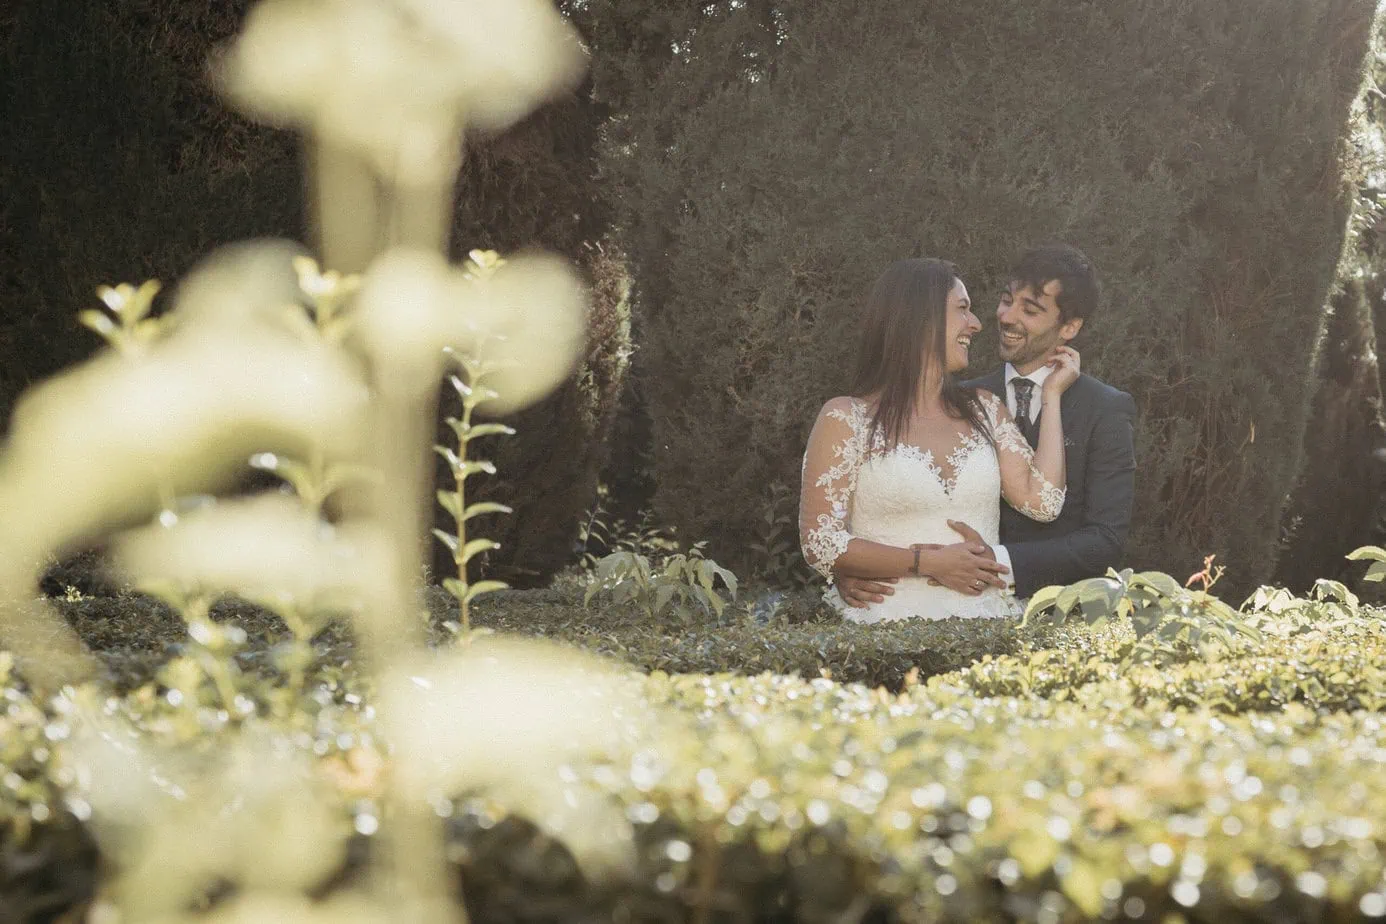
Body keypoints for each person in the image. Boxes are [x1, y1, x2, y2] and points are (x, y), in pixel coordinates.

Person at [833, 244, 1137, 610]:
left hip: (1057, 615)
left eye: (1031, 309)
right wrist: (849, 566)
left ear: (1069, 327)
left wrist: (994, 563)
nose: (1007, 317)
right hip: (924, 604)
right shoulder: (956, 398)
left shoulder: (1105, 408)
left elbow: (1104, 541)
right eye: (1007, 300)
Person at [798, 257, 1077, 623]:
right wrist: (925, 563)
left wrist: (1053, 396)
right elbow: (821, 542)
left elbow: (1045, 502)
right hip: (880, 631)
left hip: (988, 624)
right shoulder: (846, 418)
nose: (976, 324)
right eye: (963, 309)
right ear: (920, 319)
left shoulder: (985, 410)